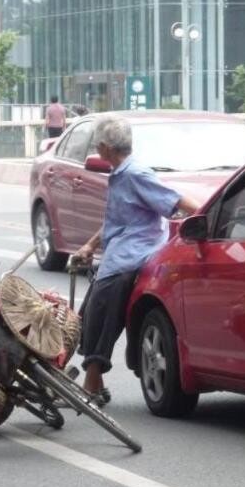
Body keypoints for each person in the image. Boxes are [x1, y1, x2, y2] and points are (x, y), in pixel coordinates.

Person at [72, 114, 200, 405]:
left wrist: (206, 217)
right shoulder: (119, 175)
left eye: (97, 145)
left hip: (132, 258)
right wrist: (90, 245)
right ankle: (95, 381)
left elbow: (177, 200)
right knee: (87, 317)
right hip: (116, 255)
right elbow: (118, 219)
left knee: (101, 318)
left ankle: (91, 384)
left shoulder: (135, 174)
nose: (96, 149)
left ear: (105, 147)